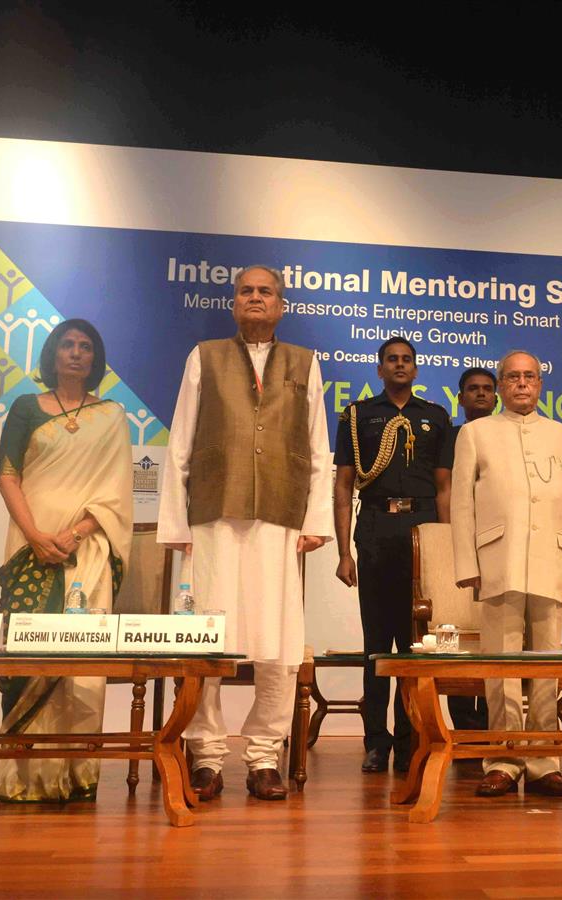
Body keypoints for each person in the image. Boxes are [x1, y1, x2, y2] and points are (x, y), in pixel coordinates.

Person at [158, 265, 332, 803]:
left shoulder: (304, 362)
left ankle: (262, 757)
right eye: (246, 291)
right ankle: (206, 756)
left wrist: (317, 521)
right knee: (206, 639)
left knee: (277, 643)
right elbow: (180, 443)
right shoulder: (204, 356)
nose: (255, 299)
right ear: (233, 303)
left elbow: (318, 445)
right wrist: (177, 524)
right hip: (213, 516)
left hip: (278, 518)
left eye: (266, 292)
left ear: (282, 305)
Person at [0, 319, 132, 802]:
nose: (76, 353)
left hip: (88, 550)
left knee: (81, 662)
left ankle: (75, 773)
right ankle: (25, 777)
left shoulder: (113, 415)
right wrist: (34, 535)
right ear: (53, 353)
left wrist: (75, 533)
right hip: (29, 544)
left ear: (96, 359)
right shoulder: (26, 408)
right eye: (68, 345)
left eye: (86, 347)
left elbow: (115, 492)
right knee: (27, 654)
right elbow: (8, 475)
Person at [451, 350, 562, 798]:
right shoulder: (476, 432)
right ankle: (504, 759)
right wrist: (467, 565)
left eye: (530, 377)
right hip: (498, 559)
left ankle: (544, 760)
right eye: (513, 377)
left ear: (541, 385)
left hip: (552, 558)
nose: (522, 384)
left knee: (548, 663)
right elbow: (462, 506)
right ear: (501, 384)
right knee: (501, 663)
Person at [333, 337, 453, 773]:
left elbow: (444, 489)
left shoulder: (435, 417)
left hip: (422, 532)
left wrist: (445, 549)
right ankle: (376, 743)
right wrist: (344, 551)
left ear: (416, 370)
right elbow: (345, 485)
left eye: (407, 361)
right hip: (377, 531)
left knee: (416, 645)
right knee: (377, 645)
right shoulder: (357, 417)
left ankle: (408, 741)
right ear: (379, 368)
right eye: (392, 360)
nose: (400, 366)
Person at [446, 366, 496, 732]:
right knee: (458, 633)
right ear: (460, 397)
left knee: (498, 635)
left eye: (487, 389)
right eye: (473, 389)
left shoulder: (508, 435)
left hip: (501, 545)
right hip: (458, 542)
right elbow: (444, 490)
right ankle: (465, 728)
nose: (481, 394)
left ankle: (498, 725)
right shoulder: (449, 437)